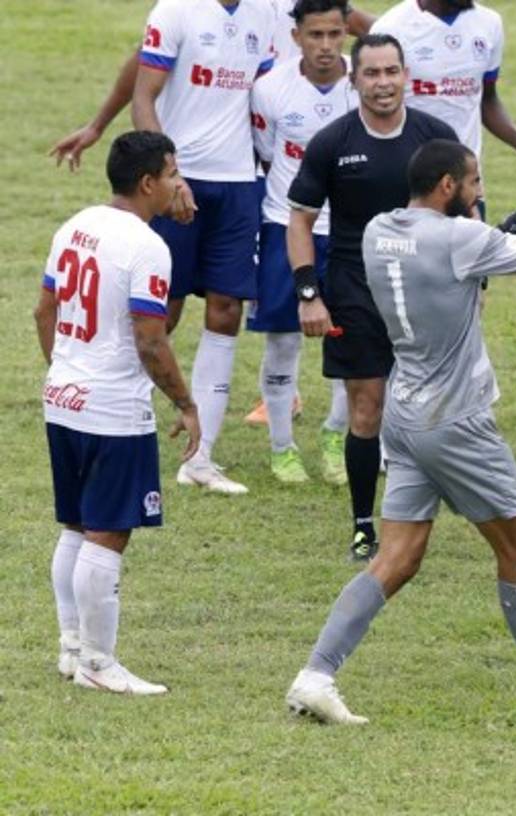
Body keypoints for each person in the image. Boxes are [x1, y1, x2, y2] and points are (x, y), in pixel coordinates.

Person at [283, 139, 516, 724]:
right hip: (455, 422)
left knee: (398, 557)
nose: (480, 191)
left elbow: (457, 249)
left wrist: (501, 231)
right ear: (445, 187)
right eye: (474, 182)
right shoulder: (460, 239)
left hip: (404, 414)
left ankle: (315, 674)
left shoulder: (384, 228)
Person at [35, 131, 201, 695]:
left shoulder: (75, 225)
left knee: (77, 526)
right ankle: (100, 666)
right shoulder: (148, 247)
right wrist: (186, 402)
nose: (180, 183)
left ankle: (71, 648)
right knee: (109, 534)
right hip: (112, 409)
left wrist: (64, 370)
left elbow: (44, 309)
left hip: (64, 397)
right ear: (149, 182)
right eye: (174, 173)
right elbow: (151, 340)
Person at [287, 34, 459, 562]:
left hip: (426, 291)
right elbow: (300, 217)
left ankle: (421, 516)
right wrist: (309, 292)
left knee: (433, 408)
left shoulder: (436, 138)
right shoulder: (332, 142)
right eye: (371, 73)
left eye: (391, 72)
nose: (382, 83)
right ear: (352, 78)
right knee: (368, 408)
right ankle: (364, 525)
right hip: (356, 291)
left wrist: (471, 280)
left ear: (406, 75)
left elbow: (466, 212)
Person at [130, 0, 278, 496]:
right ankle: (117, 421)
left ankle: (202, 458)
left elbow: (266, 98)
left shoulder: (265, 15)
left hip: (237, 184)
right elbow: (143, 99)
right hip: (183, 180)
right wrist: (172, 175)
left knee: (226, 308)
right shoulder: (175, 11)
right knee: (161, 311)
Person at [48, 2, 374, 172]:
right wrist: (98, 125)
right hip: (239, 146)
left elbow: (369, 27)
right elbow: (147, 56)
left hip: (279, 137)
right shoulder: (191, 10)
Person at [248, 0, 357, 486]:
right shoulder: (270, 89)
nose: (327, 46)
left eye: (335, 34)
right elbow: (268, 156)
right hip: (284, 224)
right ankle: (281, 446)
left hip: (351, 231)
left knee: (350, 340)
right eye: (316, 35)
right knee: (284, 338)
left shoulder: (365, 84)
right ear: (296, 37)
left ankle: (336, 436)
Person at [371, 0, 516, 170]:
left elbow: (487, 99)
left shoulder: (489, 23)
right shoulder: (391, 28)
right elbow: (374, 108)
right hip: (409, 173)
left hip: (466, 177)